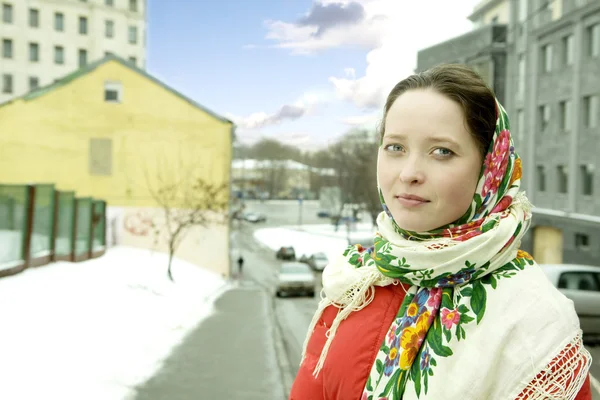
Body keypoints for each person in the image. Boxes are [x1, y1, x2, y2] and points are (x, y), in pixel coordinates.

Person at [290, 64, 592, 399]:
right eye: (395, 147)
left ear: (489, 168)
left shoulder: (535, 321)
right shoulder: (357, 284)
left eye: (442, 152)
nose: (409, 173)